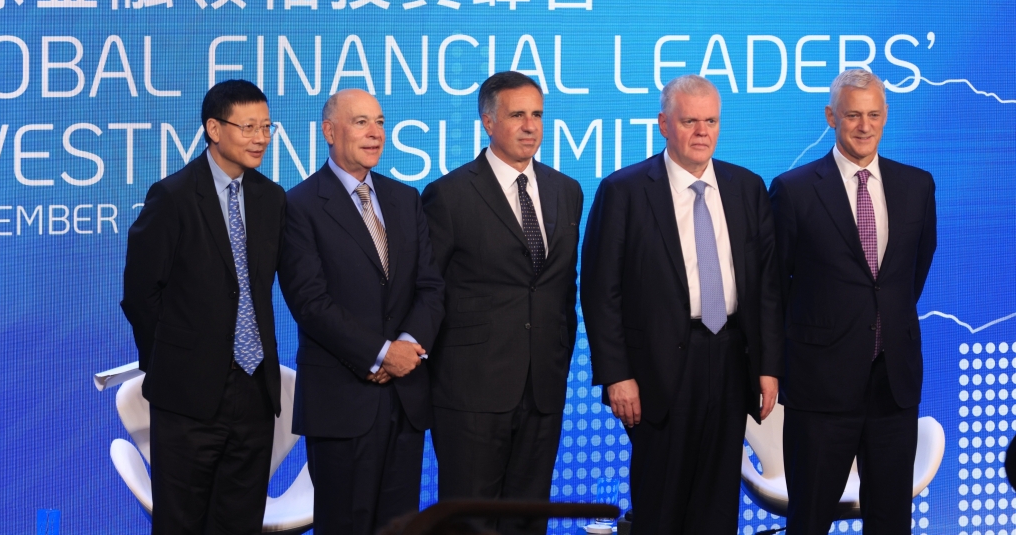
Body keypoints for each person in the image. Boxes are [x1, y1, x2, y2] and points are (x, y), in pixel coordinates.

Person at [580, 74, 783, 534]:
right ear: (664, 125)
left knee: (717, 506)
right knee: (662, 505)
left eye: (711, 121)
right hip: (657, 369)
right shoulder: (624, 190)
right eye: (690, 121)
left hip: (730, 359)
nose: (702, 132)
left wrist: (769, 365)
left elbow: (767, 287)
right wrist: (616, 375)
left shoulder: (746, 187)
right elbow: (600, 291)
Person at [770, 69, 937, 534]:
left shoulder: (917, 186)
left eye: (874, 115)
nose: (865, 126)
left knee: (890, 522)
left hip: (893, 385)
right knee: (810, 520)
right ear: (831, 117)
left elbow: (910, 274)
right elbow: (774, 287)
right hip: (819, 387)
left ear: (886, 116)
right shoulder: (794, 190)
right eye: (853, 116)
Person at [421, 71, 584, 535]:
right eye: (517, 115)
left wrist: (558, 355)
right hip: (470, 391)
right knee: (470, 522)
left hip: (543, 387)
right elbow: (429, 290)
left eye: (537, 115)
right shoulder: (449, 194)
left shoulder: (566, 190)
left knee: (528, 518)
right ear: (488, 122)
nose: (530, 126)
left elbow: (562, 286)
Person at [121, 79, 287, 535]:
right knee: (181, 522)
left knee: (241, 521)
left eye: (267, 127)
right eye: (248, 127)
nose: (261, 138)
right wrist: (172, 364)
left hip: (254, 391)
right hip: (187, 396)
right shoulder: (172, 196)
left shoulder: (271, 198)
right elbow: (140, 294)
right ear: (214, 129)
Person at [278, 88, 445, 535]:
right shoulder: (299, 205)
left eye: (380, 122)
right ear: (329, 132)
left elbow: (430, 286)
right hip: (342, 400)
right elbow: (310, 302)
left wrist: (405, 347)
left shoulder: (405, 198)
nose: (375, 133)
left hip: (405, 398)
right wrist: (380, 353)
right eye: (361, 122)